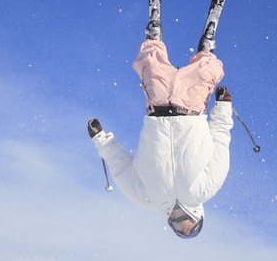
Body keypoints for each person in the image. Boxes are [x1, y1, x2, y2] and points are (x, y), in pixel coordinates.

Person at [87, 36, 233, 239]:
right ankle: (207, 49)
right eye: (189, 226)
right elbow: (219, 142)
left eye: (178, 228)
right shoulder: (205, 190)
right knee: (204, 73)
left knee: (151, 66)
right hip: (190, 112)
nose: (182, 223)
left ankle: (153, 33)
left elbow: (121, 167)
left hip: (157, 109)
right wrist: (224, 107)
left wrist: (101, 140)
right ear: (199, 217)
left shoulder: (148, 200)